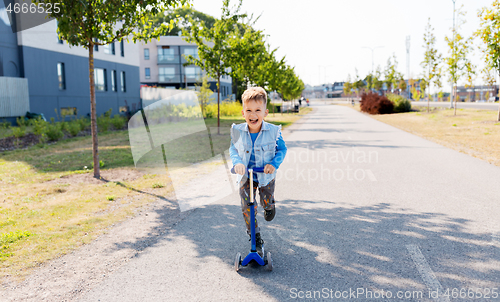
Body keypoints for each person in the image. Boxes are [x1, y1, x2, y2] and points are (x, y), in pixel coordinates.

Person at [229, 87, 287, 256]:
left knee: (265, 201)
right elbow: (233, 149)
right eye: (248, 110)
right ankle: (255, 237)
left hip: (265, 175)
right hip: (246, 175)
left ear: (265, 112)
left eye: (257, 110)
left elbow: (282, 150)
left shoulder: (274, 131)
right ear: (243, 112)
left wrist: (274, 164)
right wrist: (237, 162)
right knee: (247, 206)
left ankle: (270, 206)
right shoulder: (237, 131)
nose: (253, 115)